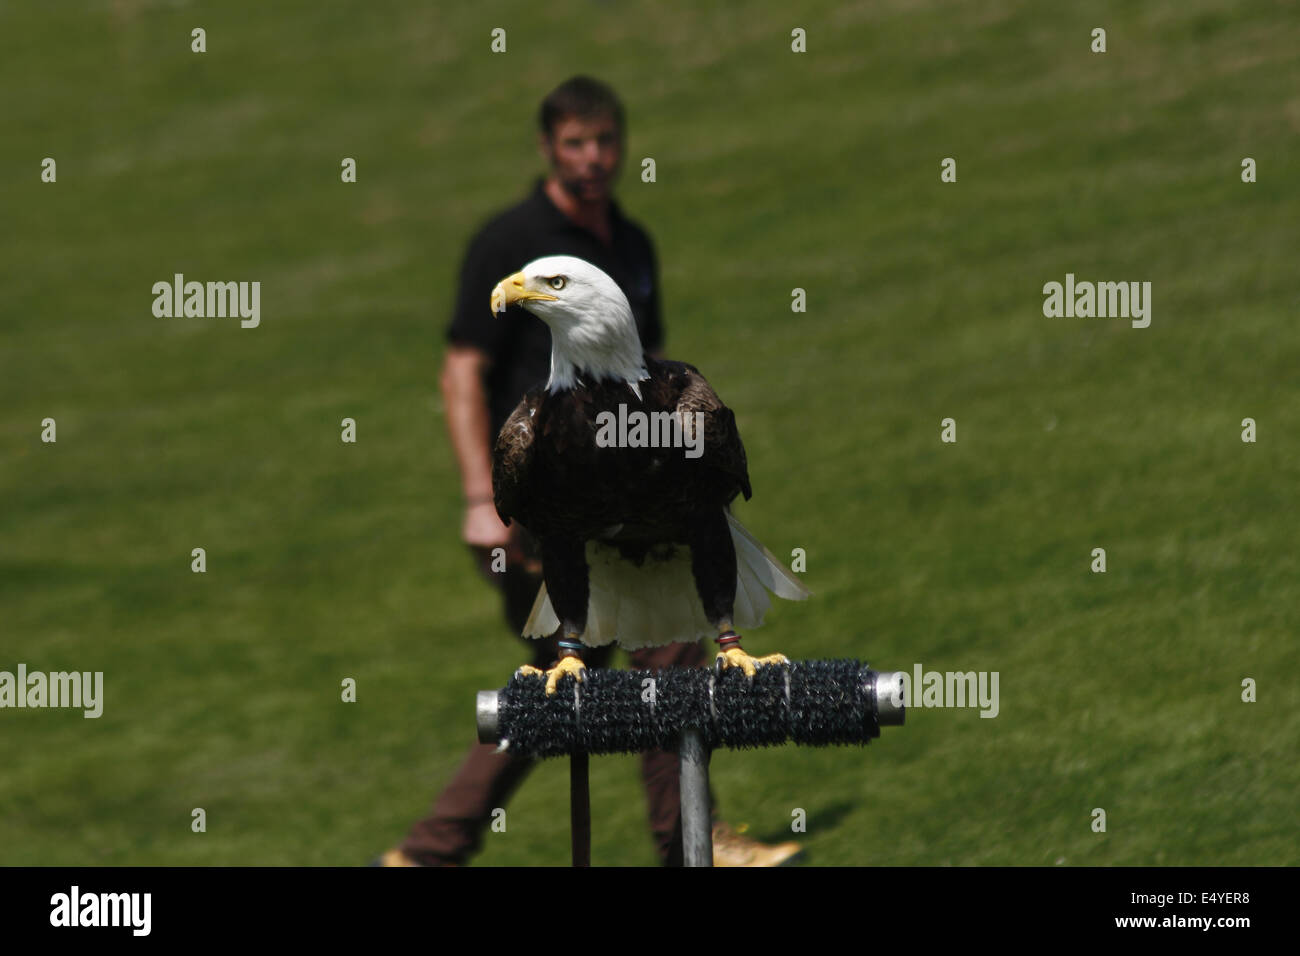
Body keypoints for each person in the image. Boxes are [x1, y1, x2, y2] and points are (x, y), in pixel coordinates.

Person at [378, 76, 799, 867]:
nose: (593, 157)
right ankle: (691, 845)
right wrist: (481, 498)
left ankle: (430, 854)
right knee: (598, 673)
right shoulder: (509, 241)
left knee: (587, 677)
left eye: (605, 141)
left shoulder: (629, 245)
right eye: (575, 143)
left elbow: (650, 365)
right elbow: (462, 369)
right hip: (548, 485)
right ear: (548, 147)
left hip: (640, 488)